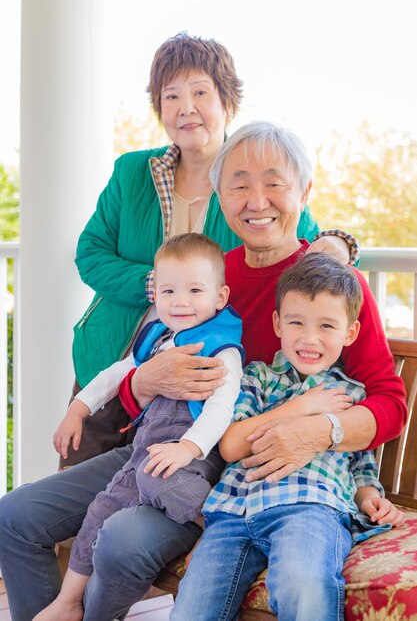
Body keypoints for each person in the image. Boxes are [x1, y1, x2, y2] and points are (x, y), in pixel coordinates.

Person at [0, 123, 404, 621]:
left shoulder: (329, 284)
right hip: (156, 444)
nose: (257, 200)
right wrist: (144, 382)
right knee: (14, 516)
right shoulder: (209, 276)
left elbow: (388, 400)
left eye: (274, 183)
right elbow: (138, 378)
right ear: (219, 195)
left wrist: (322, 430)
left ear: (304, 192)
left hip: (219, 471)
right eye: (238, 184)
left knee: (121, 539)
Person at [67, 31, 343, 466]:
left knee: (152, 490)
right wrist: (155, 284)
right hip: (118, 357)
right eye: (171, 95)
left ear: (227, 102)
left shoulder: (243, 178)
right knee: (74, 493)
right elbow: (90, 252)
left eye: (200, 92)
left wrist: (342, 244)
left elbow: (305, 240)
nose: (185, 108)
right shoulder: (131, 172)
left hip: (200, 380)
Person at [170, 252, 405, 621]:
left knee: (304, 585)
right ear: (278, 323)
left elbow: (361, 463)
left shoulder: (351, 395)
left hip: (311, 509)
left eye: (327, 326)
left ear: (350, 332)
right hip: (233, 513)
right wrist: (303, 406)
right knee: (193, 609)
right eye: (297, 322)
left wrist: (371, 498)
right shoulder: (256, 377)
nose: (310, 338)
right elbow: (232, 444)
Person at [33, 233, 244, 621]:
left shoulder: (221, 349)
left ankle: (217, 522)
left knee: (159, 480)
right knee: (100, 510)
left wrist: (188, 448)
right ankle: (67, 600)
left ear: (220, 296)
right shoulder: (157, 338)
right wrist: (79, 407)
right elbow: (117, 373)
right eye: (169, 290)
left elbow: (221, 407)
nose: (180, 301)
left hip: (191, 458)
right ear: (156, 296)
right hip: (145, 454)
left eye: (195, 290)